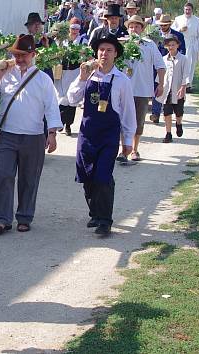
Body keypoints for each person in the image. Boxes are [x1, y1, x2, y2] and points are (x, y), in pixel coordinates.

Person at [0, 34, 62, 235]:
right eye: (16, 55)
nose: (19, 59)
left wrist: (51, 133)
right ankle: (2, 219)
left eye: (24, 55)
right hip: (7, 135)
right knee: (3, 176)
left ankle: (25, 217)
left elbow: (51, 107)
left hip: (33, 137)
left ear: (33, 54)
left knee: (29, 178)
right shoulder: (6, 74)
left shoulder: (43, 79)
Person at [68, 36, 136, 235]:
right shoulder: (88, 76)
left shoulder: (122, 80)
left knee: (103, 176)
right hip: (87, 134)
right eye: (101, 50)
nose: (104, 54)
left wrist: (128, 140)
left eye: (108, 50)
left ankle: (105, 220)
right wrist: (81, 78)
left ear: (115, 54)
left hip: (108, 136)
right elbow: (71, 99)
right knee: (87, 175)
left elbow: (127, 112)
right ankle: (95, 214)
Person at [117, 15, 165, 164]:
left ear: (142, 29)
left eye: (137, 26)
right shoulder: (122, 44)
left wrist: (161, 84)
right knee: (123, 120)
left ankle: (134, 149)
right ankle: (123, 150)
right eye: (131, 26)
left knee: (138, 121)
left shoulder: (149, 44)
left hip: (142, 89)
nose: (134, 29)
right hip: (124, 89)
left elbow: (161, 66)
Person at [55, 18, 90, 136]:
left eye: (76, 29)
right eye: (72, 28)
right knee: (61, 96)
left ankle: (68, 124)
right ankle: (60, 121)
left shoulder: (82, 41)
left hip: (75, 71)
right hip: (63, 71)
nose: (74, 31)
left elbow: (86, 55)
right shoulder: (62, 41)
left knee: (72, 97)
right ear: (68, 29)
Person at [149, 13, 186, 124]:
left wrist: (177, 61)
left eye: (165, 25)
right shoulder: (154, 35)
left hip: (172, 65)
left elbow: (183, 50)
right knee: (157, 87)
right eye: (161, 25)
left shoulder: (178, 35)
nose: (163, 27)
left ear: (169, 24)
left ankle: (173, 113)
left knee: (168, 89)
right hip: (157, 66)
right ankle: (155, 113)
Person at [155, 34, 190, 143]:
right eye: (169, 45)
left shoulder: (183, 59)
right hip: (167, 90)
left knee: (178, 112)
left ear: (178, 45)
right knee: (167, 112)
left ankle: (178, 124)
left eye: (173, 45)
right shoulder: (164, 59)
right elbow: (160, 74)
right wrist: (159, 85)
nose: (171, 47)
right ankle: (168, 133)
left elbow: (186, 74)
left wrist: (183, 87)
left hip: (178, 89)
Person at [172, 2, 199, 93]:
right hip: (181, 43)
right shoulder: (178, 19)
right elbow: (172, 31)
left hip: (193, 44)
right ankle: (179, 84)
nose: (187, 11)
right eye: (186, 9)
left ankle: (188, 85)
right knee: (180, 64)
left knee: (191, 65)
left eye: (189, 9)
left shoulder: (197, 20)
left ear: (192, 10)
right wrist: (180, 30)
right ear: (183, 9)